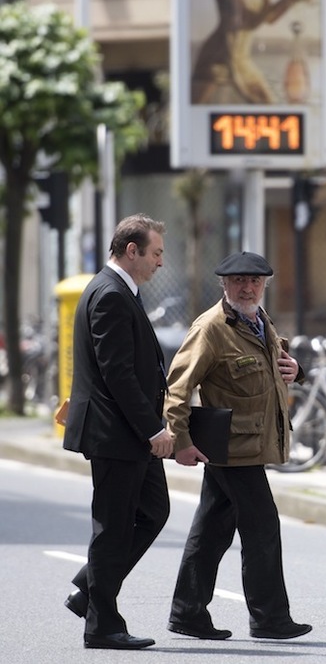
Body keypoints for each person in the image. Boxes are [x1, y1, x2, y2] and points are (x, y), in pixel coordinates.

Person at [164, 250, 312, 641]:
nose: (248, 288)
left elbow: (272, 371)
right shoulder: (211, 327)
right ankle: (269, 619)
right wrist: (180, 440)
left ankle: (187, 611)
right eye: (239, 281)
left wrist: (297, 371)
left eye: (255, 281)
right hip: (231, 449)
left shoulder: (259, 320)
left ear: (265, 284)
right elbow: (177, 388)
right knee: (263, 526)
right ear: (224, 285)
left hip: (249, 444)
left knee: (212, 528)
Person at [63, 214, 175, 650]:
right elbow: (118, 374)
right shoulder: (110, 293)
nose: (160, 262)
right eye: (156, 253)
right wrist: (153, 429)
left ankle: (89, 588)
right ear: (133, 250)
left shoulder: (119, 290)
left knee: (154, 511)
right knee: (112, 526)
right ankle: (102, 625)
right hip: (118, 433)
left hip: (125, 433)